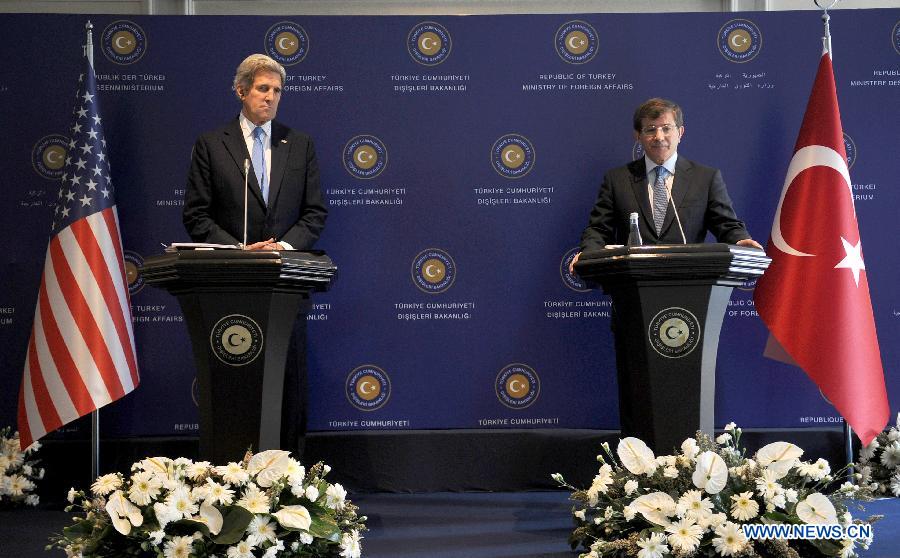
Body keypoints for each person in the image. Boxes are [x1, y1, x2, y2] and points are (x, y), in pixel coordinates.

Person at [183, 53, 327, 457]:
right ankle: (231, 471)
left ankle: (291, 478)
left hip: (284, 286)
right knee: (237, 385)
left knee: (289, 384)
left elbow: (315, 212)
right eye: (263, 89)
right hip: (230, 288)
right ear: (241, 91)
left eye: (277, 91)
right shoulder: (212, 145)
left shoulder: (298, 145)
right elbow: (196, 215)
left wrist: (280, 247)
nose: (271, 98)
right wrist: (240, 250)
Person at [570, 98, 761, 272]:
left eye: (666, 128)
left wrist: (739, 240)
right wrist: (589, 254)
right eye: (651, 129)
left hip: (690, 285)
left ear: (680, 132)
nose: (659, 136)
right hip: (632, 288)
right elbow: (599, 229)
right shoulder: (617, 179)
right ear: (638, 135)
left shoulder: (705, 178)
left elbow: (726, 224)